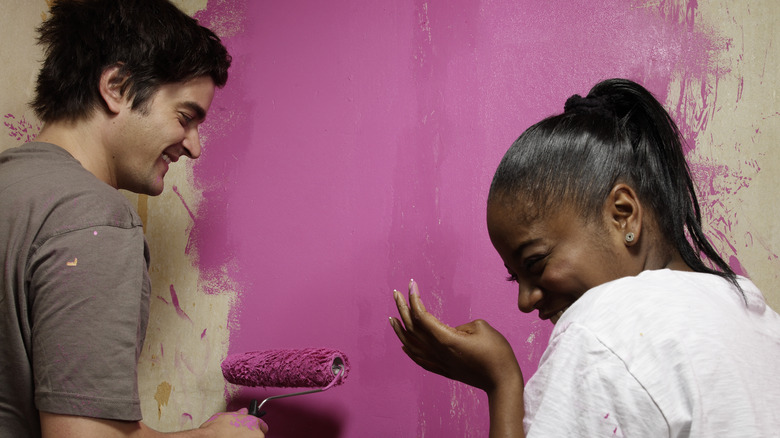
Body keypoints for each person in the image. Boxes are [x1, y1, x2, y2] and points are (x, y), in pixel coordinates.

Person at [390, 78, 780, 437]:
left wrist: (502, 382)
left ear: (623, 214)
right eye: (516, 279)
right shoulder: (756, 316)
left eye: (535, 263)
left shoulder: (602, 333)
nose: (526, 302)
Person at [0, 1, 266, 437]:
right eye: (185, 117)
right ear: (118, 87)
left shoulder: (12, 185)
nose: (194, 147)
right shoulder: (92, 219)